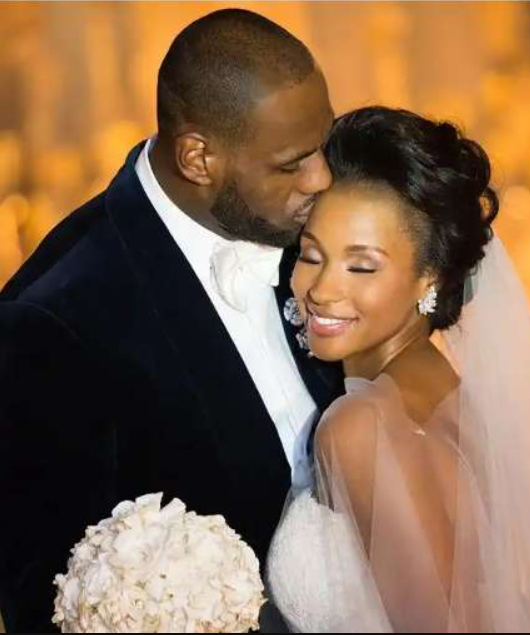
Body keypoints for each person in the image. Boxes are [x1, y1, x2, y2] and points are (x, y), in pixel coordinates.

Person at [0, 9, 342, 632]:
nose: (322, 178)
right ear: (197, 158)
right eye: (292, 162)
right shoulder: (54, 323)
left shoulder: (322, 230)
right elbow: (50, 604)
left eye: (325, 145)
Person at [268, 106, 530, 632]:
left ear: (429, 279)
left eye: (362, 265)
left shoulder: (359, 426)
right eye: (311, 255)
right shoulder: (445, 389)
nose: (323, 290)